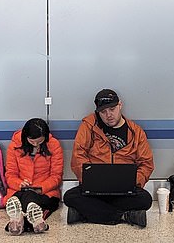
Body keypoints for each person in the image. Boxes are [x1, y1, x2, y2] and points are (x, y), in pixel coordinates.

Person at [63, 89, 155, 227]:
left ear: (120, 105)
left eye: (112, 109)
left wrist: (133, 182)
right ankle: (124, 216)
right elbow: (78, 157)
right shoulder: (88, 126)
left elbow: (146, 163)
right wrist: (90, 181)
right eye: (103, 112)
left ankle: (85, 213)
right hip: (94, 189)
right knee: (69, 197)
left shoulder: (136, 131)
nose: (109, 115)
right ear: (98, 112)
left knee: (145, 199)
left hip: (124, 190)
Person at [4, 118, 63, 235]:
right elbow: (10, 174)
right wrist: (19, 184)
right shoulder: (14, 145)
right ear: (25, 137)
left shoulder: (54, 145)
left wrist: (41, 188)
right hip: (20, 190)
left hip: (46, 192)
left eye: (40, 141)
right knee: (27, 196)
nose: (36, 144)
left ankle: (18, 220)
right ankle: (38, 223)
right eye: (32, 141)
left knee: (29, 198)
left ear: (45, 138)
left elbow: (56, 176)